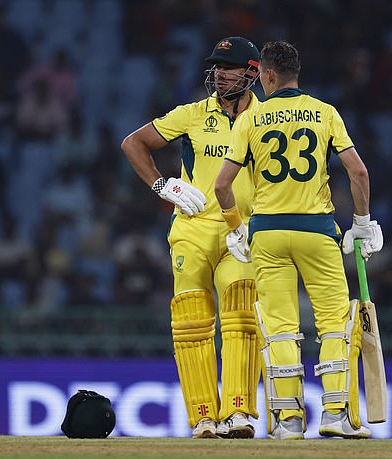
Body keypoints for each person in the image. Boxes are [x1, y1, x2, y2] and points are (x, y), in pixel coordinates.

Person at [214, 40, 384, 440]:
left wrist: (236, 226)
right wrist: (361, 223)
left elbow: (223, 185)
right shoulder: (324, 112)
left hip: (268, 233)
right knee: (334, 326)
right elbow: (358, 173)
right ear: (296, 74)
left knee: (280, 329)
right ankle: (335, 414)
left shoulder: (250, 120)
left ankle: (288, 422)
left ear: (268, 75)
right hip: (317, 231)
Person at [121, 37, 262, 439]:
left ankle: (238, 413)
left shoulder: (267, 119)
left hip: (243, 231)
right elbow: (133, 144)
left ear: (251, 73)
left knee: (242, 317)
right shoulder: (193, 114)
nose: (219, 73)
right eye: (216, 66)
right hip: (193, 229)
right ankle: (203, 417)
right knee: (191, 323)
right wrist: (162, 184)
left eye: (228, 67)